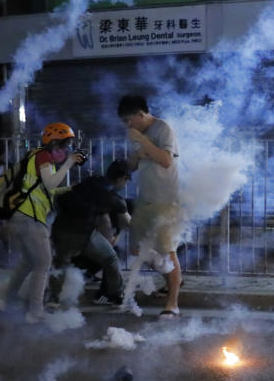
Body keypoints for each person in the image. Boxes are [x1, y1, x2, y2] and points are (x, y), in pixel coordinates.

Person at [0, 122, 87, 322]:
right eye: (65, 145)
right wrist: (69, 163)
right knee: (43, 263)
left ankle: (6, 301)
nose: (66, 150)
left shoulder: (33, 157)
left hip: (18, 217)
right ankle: (35, 312)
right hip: (31, 219)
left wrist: (69, 189)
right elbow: (51, 183)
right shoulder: (43, 156)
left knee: (28, 262)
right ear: (54, 141)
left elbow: (44, 189)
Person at [118, 95, 182, 319]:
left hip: (165, 199)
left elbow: (166, 160)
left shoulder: (162, 128)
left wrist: (143, 142)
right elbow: (131, 166)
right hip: (144, 198)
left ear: (141, 114)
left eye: (129, 120)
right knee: (138, 248)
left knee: (167, 250)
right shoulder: (137, 134)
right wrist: (137, 153)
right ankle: (171, 279)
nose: (128, 125)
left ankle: (172, 303)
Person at [49, 159, 132, 306]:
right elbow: (128, 223)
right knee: (111, 258)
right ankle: (116, 295)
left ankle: (53, 299)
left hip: (59, 229)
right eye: (127, 180)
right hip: (83, 234)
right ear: (122, 178)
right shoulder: (114, 199)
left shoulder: (90, 181)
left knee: (61, 263)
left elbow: (61, 199)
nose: (126, 184)